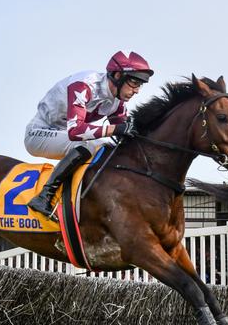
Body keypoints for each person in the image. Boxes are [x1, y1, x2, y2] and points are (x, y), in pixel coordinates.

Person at [24, 50, 154, 220]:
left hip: (64, 135)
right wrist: (114, 129)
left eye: (140, 85)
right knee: (88, 145)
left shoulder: (117, 101)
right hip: (39, 134)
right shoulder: (84, 85)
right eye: (134, 83)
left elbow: (124, 133)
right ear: (117, 75)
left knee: (106, 148)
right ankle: (44, 196)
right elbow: (75, 132)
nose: (137, 90)